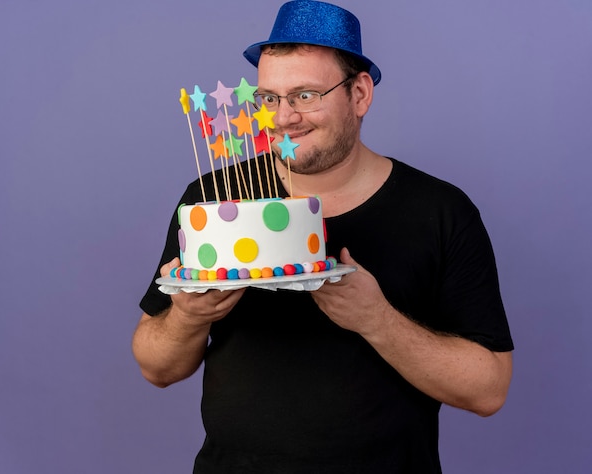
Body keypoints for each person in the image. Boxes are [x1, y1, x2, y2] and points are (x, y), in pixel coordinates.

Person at [133, 1, 514, 472]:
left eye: (306, 95)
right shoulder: (216, 200)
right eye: (269, 98)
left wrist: (377, 320)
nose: (284, 118)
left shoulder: (440, 211)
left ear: (359, 93)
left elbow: (488, 389)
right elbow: (156, 367)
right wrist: (189, 317)